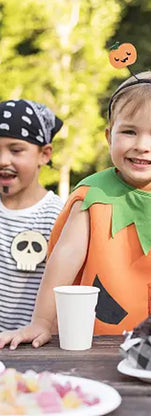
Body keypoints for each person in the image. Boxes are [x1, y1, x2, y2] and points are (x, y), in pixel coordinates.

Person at [0, 71, 151, 349]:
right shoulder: (94, 196)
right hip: (102, 343)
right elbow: (64, 257)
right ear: (109, 136)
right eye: (129, 131)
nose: (142, 145)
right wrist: (41, 322)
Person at [0, 99, 64, 331]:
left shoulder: (58, 216)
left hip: (32, 349)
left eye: (16, 150)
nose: (3, 161)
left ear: (44, 154)